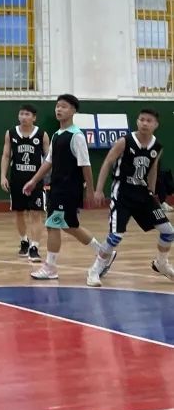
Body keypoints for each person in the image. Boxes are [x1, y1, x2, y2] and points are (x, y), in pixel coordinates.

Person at [87, 109, 174, 286]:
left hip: (143, 194)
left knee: (168, 231)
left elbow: (152, 169)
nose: (144, 123)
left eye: (149, 120)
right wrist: (98, 190)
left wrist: (152, 193)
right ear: (137, 121)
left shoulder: (157, 146)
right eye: (141, 119)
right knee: (116, 236)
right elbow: (107, 162)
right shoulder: (124, 141)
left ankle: (161, 263)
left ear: (156, 125)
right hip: (122, 193)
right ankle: (95, 270)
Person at [22, 94, 101, 281]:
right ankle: (103, 252)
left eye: (64, 106)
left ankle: (50, 267)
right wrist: (34, 180)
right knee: (70, 227)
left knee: (52, 225)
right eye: (57, 106)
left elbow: (86, 165)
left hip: (68, 189)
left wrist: (90, 190)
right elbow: (48, 162)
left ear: (73, 111)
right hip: (56, 187)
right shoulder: (57, 135)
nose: (59, 109)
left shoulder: (77, 136)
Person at [0, 104, 49, 263]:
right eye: (21, 114)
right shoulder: (11, 133)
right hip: (17, 179)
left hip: (36, 181)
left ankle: (34, 247)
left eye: (27, 114)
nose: (23, 117)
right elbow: (6, 155)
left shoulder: (42, 134)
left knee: (36, 213)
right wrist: (3, 176)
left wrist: (50, 178)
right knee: (19, 212)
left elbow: (49, 158)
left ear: (34, 117)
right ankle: (24, 241)